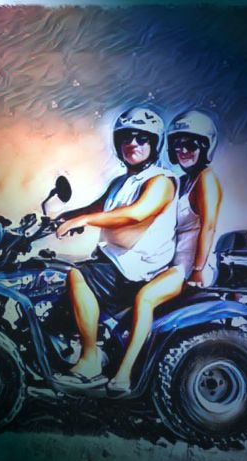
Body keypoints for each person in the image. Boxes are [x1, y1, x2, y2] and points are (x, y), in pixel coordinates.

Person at [53, 106, 179, 389]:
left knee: (77, 275)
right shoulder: (121, 182)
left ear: (155, 143)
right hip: (117, 262)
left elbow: (136, 213)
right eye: (126, 137)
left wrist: (84, 220)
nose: (132, 143)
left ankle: (90, 360)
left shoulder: (160, 181)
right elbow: (97, 208)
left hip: (137, 269)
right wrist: (64, 217)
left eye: (142, 138)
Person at [106, 110, 223, 397]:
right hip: (173, 265)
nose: (183, 150)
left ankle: (124, 374)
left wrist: (197, 270)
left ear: (205, 147)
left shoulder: (206, 179)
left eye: (191, 144)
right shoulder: (183, 181)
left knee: (145, 298)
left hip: (190, 267)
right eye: (178, 144)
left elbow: (208, 226)